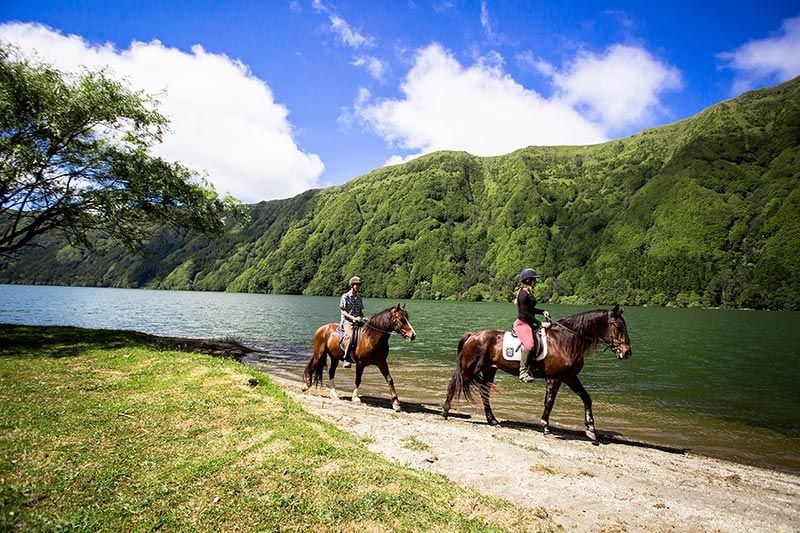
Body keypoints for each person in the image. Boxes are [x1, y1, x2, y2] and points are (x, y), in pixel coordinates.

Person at [514, 268, 551, 382]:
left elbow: (531, 309)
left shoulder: (528, 293)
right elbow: (525, 314)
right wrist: (540, 323)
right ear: (529, 280)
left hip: (529, 322)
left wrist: (542, 311)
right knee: (529, 345)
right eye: (535, 279)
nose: (536, 281)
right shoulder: (523, 295)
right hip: (523, 323)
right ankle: (523, 372)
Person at [340, 276, 366, 368]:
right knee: (350, 336)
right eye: (357, 285)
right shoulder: (345, 296)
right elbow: (343, 311)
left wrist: (364, 318)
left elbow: (360, 311)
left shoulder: (359, 297)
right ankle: (346, 358)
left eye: (359, 285)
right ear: (352, 285)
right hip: (347, 321)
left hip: (358, 320)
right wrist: (353, 318)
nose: (358, 286)